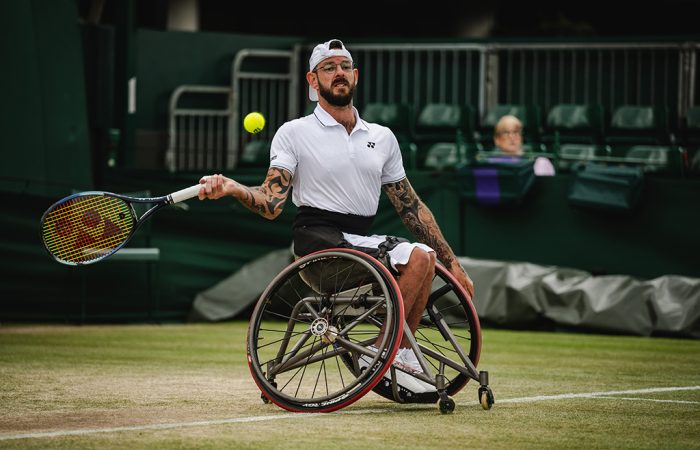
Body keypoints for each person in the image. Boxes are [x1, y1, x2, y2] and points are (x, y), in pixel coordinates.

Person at [197, 39, 473, 391]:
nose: (338, 72)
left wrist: (452, 262)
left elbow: (411, 206)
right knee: (418, 256)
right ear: (313, 81)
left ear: (355, 76)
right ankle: (384, 354)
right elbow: (270, 203)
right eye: (329, 68)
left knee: (426, 257)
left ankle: (392, 352)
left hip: (358, 239)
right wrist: (234, 188)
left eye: (344, 66)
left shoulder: (382, 137)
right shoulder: (293, 133)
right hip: (318, 244)